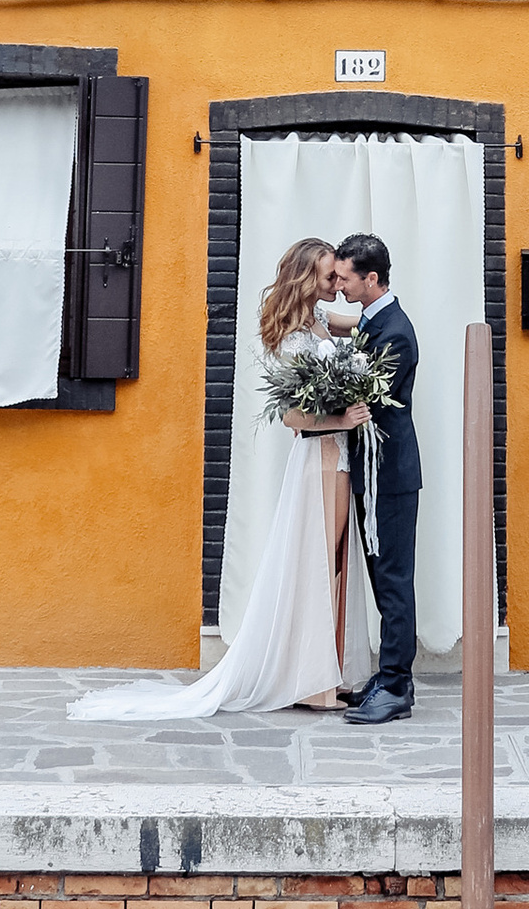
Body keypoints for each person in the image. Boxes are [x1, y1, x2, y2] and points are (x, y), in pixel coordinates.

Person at [67, 237, 371, 720]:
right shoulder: (294, 336)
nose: (337, 283)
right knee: (322, 563)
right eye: (329, 276)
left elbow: (365, 322)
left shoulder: (318, 320)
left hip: (337, 457)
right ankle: (312, 682)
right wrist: (343, 420)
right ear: (307, 279)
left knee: (335, 562)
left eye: (340, 275)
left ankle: (326, 673)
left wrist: (378, 308)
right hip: (318, 456)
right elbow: (294, 419)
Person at [331, 232, 420, 723]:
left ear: (371, 278)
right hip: (374, 471)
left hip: (390, 474)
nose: (339, 285)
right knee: (380, 575)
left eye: (345, 278)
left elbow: (371, 398)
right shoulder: (373, 320)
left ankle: (397, 687)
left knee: (392, 579)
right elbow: (344, 327)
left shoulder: (396, 331)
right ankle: (387, 677)